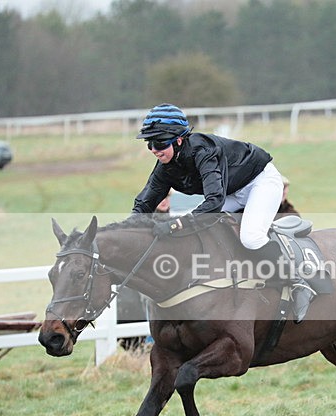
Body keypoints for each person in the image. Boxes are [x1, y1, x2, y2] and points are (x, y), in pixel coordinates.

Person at [132, 103, 315, 322]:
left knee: (252, 237)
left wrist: (177, 224)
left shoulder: (203, 151)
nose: (154, 149)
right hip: (231, 190)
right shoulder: (165, 166)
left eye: (159, 142)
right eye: (149, 143)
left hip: (260, 182)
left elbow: (214, 203)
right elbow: (143, 203)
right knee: (195, 227)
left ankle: (298, 283)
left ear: (179, 139)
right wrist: (128, 230)